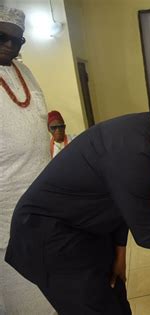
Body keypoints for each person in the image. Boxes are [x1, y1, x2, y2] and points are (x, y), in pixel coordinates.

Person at [5, 88, 150, 315]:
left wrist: (120, 255)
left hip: (83, 227)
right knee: (97, 306)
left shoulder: (140, 131)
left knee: (116, 299)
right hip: (46, 238)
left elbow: (121, 203)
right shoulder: (137, 153)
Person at [0, 6, 56, 315]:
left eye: (17, 41)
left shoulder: (26, 72)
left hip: (39, 196)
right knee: (19, 290)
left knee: (47, 283)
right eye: (2, 37)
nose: (9, 45)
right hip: (4, 206)